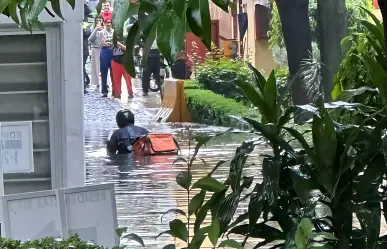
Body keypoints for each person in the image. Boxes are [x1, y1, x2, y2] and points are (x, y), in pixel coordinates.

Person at [111, 32, 133, 99]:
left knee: (128, 79)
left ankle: (130, 92)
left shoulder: (127, 38)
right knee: (116, 79)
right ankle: (117, 94)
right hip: (115, 61)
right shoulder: (112, 39)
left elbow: (128, 49)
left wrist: (119, 44)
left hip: (125, 62)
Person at [88, 15, 104, 89]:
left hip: (103, 48)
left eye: (100, 20)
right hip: (95, 48)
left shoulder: (105, 29)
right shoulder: (93, 29)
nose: (98, 22)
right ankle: (97, 82)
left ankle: (105, 82)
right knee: (96, 66)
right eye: (97, 20)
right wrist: (95, 29)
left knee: (104, 66)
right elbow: (90, 40)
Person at [99, 18, 114, 97]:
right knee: (104, 72)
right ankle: (104, 90)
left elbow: (115, 42)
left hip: (113, 52)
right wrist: (109, 43)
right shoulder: (102, 32)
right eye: (107, 22)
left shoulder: (114, 31)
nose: (109, 24)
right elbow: (103, 43)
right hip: (105, 52)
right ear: (105, 23)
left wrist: (110, 43)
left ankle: (114, 90)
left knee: (113, 72)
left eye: (110, 22)